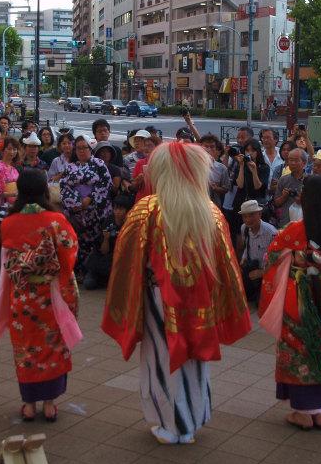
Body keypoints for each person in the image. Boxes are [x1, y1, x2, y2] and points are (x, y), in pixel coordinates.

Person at [103, 141, 252, 444]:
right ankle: (190, 422)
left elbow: (126, 259)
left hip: (158, 298)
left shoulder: (147, 209)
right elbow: (227, 264)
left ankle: (169, 424)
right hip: (200, 299)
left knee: (161, 356)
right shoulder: (210, 211)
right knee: (194, 357)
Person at [260, 176, 321, 430]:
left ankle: (302, 412)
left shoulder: (295, 230)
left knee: (299, 350)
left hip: (299, 299)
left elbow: (271, 257)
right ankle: (319, 411)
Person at [0, 169, 80, 421]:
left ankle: (29, 404)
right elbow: (70, 252)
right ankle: (49, 404)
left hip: (22, 295)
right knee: (52, 346)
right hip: (50, 295)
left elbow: (6, 259)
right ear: (44, 190)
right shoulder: (56, 220)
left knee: (26, 348)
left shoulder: (9, 222)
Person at [60, 135, 112, 272]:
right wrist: (75, 202)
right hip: (77, 211)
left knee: (97, 242)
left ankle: (94, 271)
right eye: (78, 148)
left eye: (85, 148)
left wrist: (90, 197)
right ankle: (80, 270)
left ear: (90, 149)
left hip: (96, 210)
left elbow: (106, 183)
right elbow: (64, 186)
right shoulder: (70, 167)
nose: (82, 151)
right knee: (79, 241)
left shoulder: (99, 163)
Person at [82, 193, 133, 290]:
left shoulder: (130, 223)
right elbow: (103, 250)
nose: (117, 212)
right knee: (89, 284)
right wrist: (106, 239)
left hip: (119, 259)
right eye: (116, 209)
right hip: (103, 259)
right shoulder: (108, 221)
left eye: (121, 209)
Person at [237, 199, 276, 307]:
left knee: (262, 304)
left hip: (267, 274)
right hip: (251, 270)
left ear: (259, 214)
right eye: (245, 216)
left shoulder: (271, 233)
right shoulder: (244, 228)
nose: (248, 219)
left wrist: (262, 272)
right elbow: (246, 247)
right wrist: (243, 260)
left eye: (251, 215)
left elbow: (278, 260)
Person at [233, 139, 270, 217]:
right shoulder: (240, 166)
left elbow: (258, 187)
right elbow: (240, 185)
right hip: (241, 202)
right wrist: (241, 166)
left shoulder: (264, 167)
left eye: (253, 150)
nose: (250, 153)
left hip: (257, 203)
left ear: (258, 151)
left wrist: (254, 171)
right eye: (247, 150)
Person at [271, 148, 306, 227]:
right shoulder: (283, 179)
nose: (292, 163)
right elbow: (276, 203)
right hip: (286, 221)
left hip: (304, 222)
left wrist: (303, 200)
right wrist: (284, 197)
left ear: (304, 163)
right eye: (290, 160)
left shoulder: (309, 180)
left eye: (296, 160)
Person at [199, 134, 231, 208]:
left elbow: (226, 188)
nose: (209, 149)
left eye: (212, 146)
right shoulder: (193, 165)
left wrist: (216, 188)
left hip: (214, 207)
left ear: (216, 149)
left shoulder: (221, 168)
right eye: (206, 146)